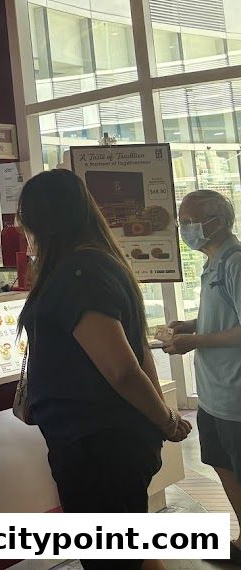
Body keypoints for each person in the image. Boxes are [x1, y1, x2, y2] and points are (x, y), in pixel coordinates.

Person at [17, 169, 189, 566]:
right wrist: (161, 417)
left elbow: (122, 369)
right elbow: (135, 355)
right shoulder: (96, 264)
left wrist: (165, 421)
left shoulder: (79, 274)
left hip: (99, 447)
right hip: (105, 442)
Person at [162, 189, 241, 559]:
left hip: (236, 396)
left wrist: (197, 339)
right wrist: (191, 325)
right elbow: (228, 317)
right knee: (221, 464)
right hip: (213, 394)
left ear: (217, 221)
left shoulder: (236, 263)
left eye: (189, 221)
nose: (184, 229)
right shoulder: (213, 264)